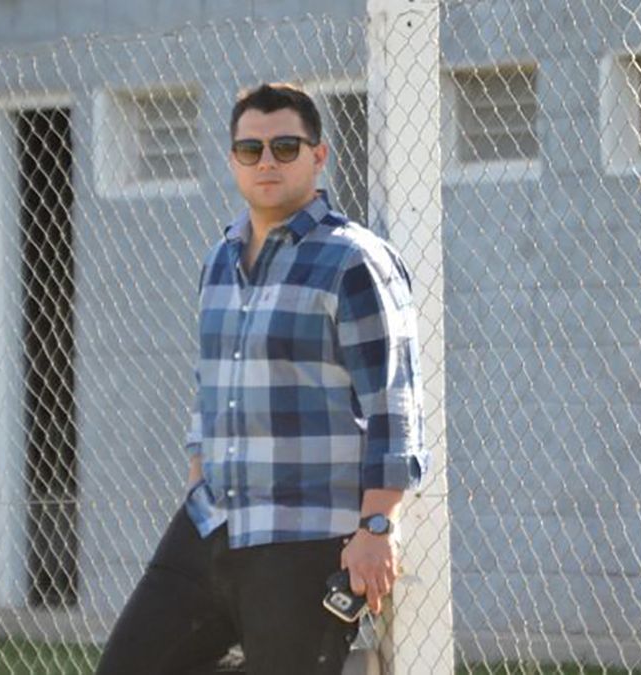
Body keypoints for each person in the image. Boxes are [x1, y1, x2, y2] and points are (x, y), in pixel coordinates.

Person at [95, 82, 427, 675]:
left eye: (285, 147)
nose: (267, 161)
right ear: (233, 161)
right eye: (251, 150)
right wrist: (198, 474)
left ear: (318, 156)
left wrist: (378, 527)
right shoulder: (220, 260)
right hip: (212, 522)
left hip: (304, 533)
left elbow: (393, 404)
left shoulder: (353, 261)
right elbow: (211, 385)